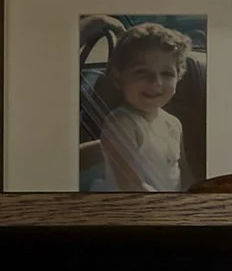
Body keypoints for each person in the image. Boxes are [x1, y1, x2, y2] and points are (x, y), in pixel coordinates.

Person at [80, 18, 195, 193]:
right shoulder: (122, 123)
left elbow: (184, 173)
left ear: (178, 77)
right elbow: (130, 186)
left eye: (166, 73)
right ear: (118, 77)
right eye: (141, 72)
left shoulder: (173, 123)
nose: (155, 83)